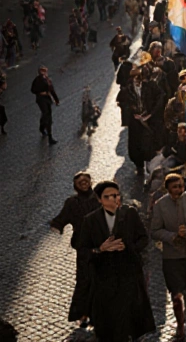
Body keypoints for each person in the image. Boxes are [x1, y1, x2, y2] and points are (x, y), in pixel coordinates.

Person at [77, 181, 156, 342]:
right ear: (99, 199)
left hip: (129, 274)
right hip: (104, 278)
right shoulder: (90, 221)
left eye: (116, 195)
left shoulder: (130, 214)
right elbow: (83, 251)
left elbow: (143, 238)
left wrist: (129, 247)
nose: (114, 199)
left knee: (129, 317)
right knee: (109, 322)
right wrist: (101, 249)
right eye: (108, 196)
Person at [149, 173, 186, 336]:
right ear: (167, 189)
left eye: (181, 186)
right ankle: (180, 325)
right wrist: (172, 236)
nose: (179, 190)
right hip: (173, 256)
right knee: (176, 293)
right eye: (175, 187)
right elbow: (154, 231)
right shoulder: (160, 206)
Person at [50, 172, 101, 330]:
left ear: (91, 182)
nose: (84, 184)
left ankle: (99, 315)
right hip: (84, 249)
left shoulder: (100, 199)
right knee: (84, 281)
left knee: (100, 281)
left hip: (102, 247)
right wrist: (56, 228)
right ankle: (82, 314)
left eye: (86, 181)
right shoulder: (71, 203)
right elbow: (61, 219)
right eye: (80, 182)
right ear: (75, 186)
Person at [31, 65, 60, 144]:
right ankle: (48, 134)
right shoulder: (37, 80)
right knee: (46, 114)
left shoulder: (48, 80)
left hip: (47, 99)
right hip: (41, 99)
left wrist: (56, 100)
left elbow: (52, 90)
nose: (44, 72)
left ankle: (43, 127)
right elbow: (33, 90)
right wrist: (40, 92)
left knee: (47, 115)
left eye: (45, 71)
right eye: (42, 71)